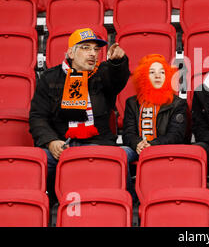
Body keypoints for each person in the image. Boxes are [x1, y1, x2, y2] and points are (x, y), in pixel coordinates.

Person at [29, 27, 131, 204]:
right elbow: (38, 116)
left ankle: (128, 205)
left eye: (96, 49)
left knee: (124, 155)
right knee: (33, 163)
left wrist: (117, 63)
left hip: (99, 144)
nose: (92, 53)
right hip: (62, 145)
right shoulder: (49, 77)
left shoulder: (103, 73)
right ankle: (47, 207)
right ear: (70, 52)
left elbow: (117, 79)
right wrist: (51, 141)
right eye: (85, 48)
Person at [122, 54, 188, 157]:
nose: (158, 76)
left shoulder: (178, 104)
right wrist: (138, 144)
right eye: (152, 72)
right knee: (122, 153)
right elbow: (128, 134)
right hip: (137, 149)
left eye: (162, 72)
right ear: (143, 76)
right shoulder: (132, 103)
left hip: (166, 149)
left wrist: (152, 144)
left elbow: (176, 135)